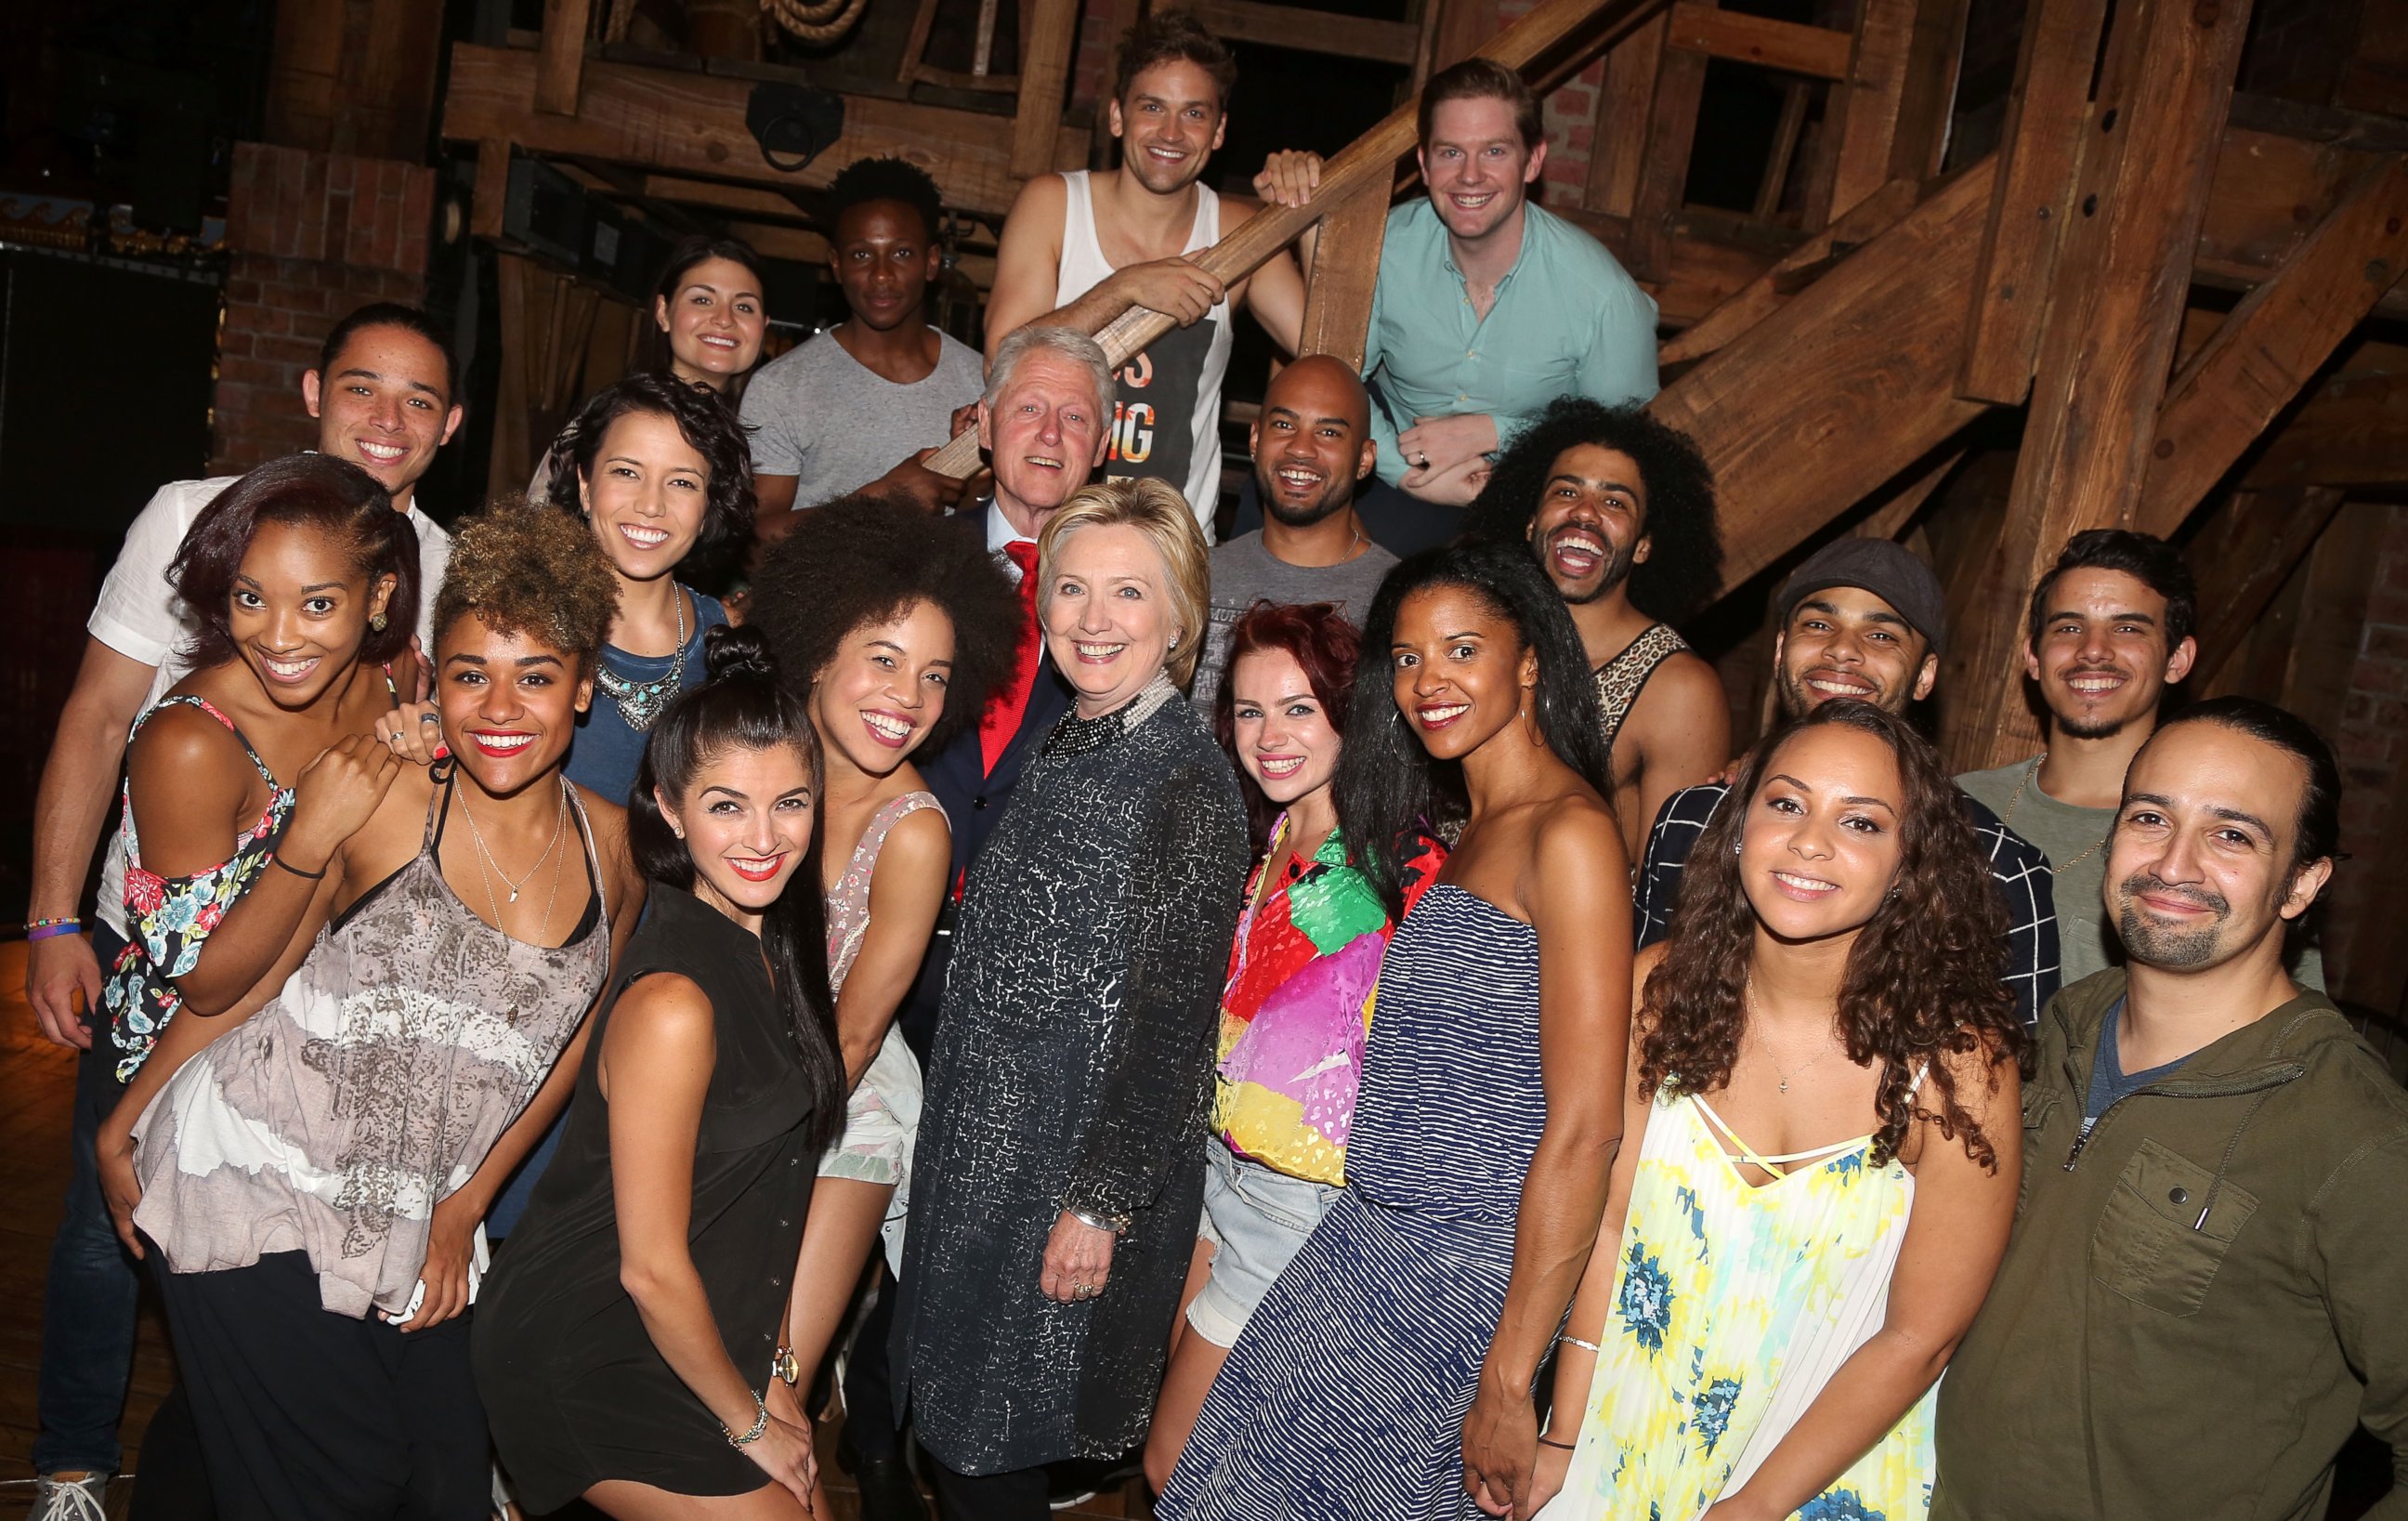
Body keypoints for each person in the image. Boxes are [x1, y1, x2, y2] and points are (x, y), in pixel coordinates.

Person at [99, 505, 641, 1520]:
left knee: (441, 1486)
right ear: (435, 677)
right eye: (472, 671)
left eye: (536, 675)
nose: (500, 704)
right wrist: (127, 1112)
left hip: (414, 1211)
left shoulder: (614, 846)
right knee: (346, 1484)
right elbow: (248, 979)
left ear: (583, 684)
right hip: (254, 1176)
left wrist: (465, 1206)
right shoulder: (385, 789)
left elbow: (566, 1047)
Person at [22, 301, 464, 1515]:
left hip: (311, 1014)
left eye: (419, 397)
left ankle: (203, 1453)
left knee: (277, 1319)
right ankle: (69, 1461)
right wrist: (55, 923)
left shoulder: (408, 626)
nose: (284, 630)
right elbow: (199, 972)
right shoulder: (191, 714)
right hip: (180, 1005)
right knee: (116, 1232)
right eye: (364, 386)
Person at [1159, 540, 1629, 1521]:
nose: (1430, 680)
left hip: (1453, 1272)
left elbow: (1587, 1126)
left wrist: (1509, 1375)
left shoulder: (1569, 833)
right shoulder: (1473, 828)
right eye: (1408, 658)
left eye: (1463, 648)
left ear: (1531, 658)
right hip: (1368, 1238)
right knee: (1225, 1484)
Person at [1528, 701, 2024, 1521]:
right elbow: (1608, 1231)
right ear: (1739, 826)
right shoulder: (1659, 990)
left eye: (1861, 822)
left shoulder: (1959, 1066)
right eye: (1786, 803)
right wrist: (1564, 1434)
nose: (1810, 841)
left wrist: (1755, 1505)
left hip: (1824, 1473)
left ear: (1910, 862)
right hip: (1623, 1444)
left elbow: (1919, 1336)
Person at [1932, 698, 2408, 1521]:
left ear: (2302, 881)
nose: (2175, 864)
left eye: (2232, 835)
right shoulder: (2067, 1023)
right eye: (2150, 817)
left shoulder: (2351, 1132)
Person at [894, 479, 1251, 1520]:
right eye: (1073, 589)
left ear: (1180, 615)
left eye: (1129, 593)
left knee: (990, 1456)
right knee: (960, 1440)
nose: (1094, 620)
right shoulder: (1070, 737)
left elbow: (1171, 1027)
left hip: (1064, 1181)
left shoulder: (1186, 779)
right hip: (985, 1162)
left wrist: (1098, 1204)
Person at [476, 626, 849, 1516]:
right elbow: (648, 1266)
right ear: (670, 811)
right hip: (592, 1346)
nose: (764, 837)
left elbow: (757, 1204)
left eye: (790, 803)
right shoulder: (674, 1001)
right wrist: (748, 1417)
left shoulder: (777, 948)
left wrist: (772, 1370)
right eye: (726, 806)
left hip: (699, 1332)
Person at [744, 492, 1021, 1519]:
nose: (908, 695)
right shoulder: (755, 763)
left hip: (840, 1109)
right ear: (818, 653)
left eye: (935, 674)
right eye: (885, 657)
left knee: (773, 1392)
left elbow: (854, 1034)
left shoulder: (916, 830)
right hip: (721, 1086)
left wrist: (744, 1143)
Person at [1141, 601, 1446, 1492]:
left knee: (1179, 1466)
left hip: (1298, 1202)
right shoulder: (1274, 836)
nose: (1269, 735)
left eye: (1298, 708)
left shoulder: (1400, 864)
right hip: (1219, 1171)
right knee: (1210, 1449)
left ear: (1351, 715)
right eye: (1248, 710)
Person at [476, 372, 755, 1245]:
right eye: (626, 472)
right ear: (583, 481)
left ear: (710, 505)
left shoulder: (734, 647)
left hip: (656, 1019)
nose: (651, 502)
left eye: (682, 481)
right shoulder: (512, 634)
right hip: (508, 1005)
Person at [1634, 536, 2061, 1029]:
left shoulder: (2000, 867)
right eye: (1818, 624)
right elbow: (1642, 1019)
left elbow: (2015, 1079)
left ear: (1925, 676)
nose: (1841, 650)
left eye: (1881, 636)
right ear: (1779, 650)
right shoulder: (1691, 819)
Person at [1255, 60, 1660, 556]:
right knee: (1286, 518)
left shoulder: (1604, 295)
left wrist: (1494, 432)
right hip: (1393, 451)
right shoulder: (1384, 249)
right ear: (1425, 164)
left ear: (1533, 161)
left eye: (1494, 150)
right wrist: (1404, 473)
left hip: (1530, 485)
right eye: (1451, 152)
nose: (1470, 175)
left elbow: (1618, 442)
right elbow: (1345, 374)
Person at [983, 9, 1310, 536]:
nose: (1171, 133)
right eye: (1152, 107)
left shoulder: (1237, 229)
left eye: (1194, 114)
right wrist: (1126, 286)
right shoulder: (1055, 205)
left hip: (1174, 549)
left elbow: (1327, 351)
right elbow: (1001, 361)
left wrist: (1306, 216)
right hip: (1048, 533)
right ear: (1117, 116)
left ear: (1220, 130)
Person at [1956, 530, 2326, 990]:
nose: (2093, 649)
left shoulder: (2221, 851)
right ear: (2033, 656)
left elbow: (2283, 1031)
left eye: (2128, 628)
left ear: (2177, 658)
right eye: (2069, 627)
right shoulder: (1952, 799)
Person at [1469, 398, 1728, 859]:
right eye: (1566, 492)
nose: (1585, 513)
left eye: (1614, 502)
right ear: (1531, 524)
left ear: (1645, 546)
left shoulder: (1677, 687)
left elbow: (1670, 891)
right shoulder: (1472, 640)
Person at [744, 157, 987, 527]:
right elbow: (754, 545)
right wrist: (879, 500)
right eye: (862, 254)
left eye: (902, 253)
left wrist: (978, 485)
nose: (882, 274)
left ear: (932, 262)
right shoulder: (783, 388)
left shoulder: (981, 381)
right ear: (836, 265)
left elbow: (980, 529)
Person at [1187, 357, 1399, 710]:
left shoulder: (1395, 599)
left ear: (1364, 459)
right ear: (1255, 439)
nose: (1300, 448)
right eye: (1284, 425)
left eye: (1329, 432)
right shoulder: (1197, 576)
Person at [528, 235, 769, 502]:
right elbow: (540, 516)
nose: (725, 319)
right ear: (663, 312)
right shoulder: (611, 418)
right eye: (702, 300)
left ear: (764, 326)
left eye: (744, 306)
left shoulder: (772, 437)